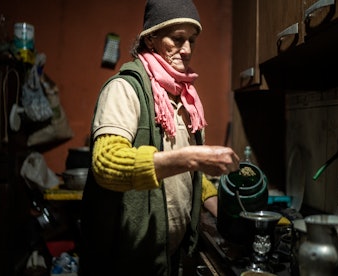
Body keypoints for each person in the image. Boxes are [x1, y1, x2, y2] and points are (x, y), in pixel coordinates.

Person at [79, 0, 240, 275]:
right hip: (126, 261)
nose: (187, 50)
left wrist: (225, 212)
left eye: (192, 40)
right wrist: (192, 158)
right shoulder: (124, 89)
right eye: (177, 39)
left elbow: (184, 179)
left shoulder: (184, 98)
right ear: (151, 38)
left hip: (169, 257)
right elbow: (106, 165)